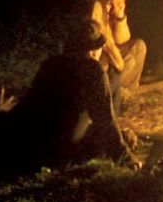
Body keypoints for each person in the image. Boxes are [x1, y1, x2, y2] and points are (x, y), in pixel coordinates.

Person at [12, 19, 137, 170]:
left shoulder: (51, 64)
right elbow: (104, 120)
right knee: (101, 129)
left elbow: (29, 104)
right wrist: (126, 157)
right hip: (63, 151)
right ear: (93, 50)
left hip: (36, 146)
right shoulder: (92, 70)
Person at [91, 0, 147, 114]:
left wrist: (120, 16)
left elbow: (122, 40)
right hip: (99, 57)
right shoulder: (97, 6)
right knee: (115, 65)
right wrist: (118, 60)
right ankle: (117, 94)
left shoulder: (113, 8)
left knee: (139, 47)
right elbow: (101, 40)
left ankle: (127, 92)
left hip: (111, 53)